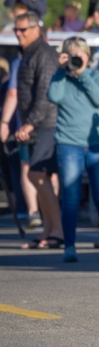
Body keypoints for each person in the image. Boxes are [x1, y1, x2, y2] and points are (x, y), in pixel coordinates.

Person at [47, 38, 99, 262]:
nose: (76, 58)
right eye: (71, 54)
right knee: (71, 197)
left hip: (96, 145)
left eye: (79, 54)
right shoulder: (61, 76)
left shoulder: (96, 76)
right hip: (69, 142)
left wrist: (82, 73)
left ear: (87, 56)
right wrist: (61, 70)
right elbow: (53, 96)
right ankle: (70, 247)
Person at [13, 11, 64, 249]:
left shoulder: (44, 54)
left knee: (37, 175)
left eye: (22, 30)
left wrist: (30, 122)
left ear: (36, 29)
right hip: (36, 125)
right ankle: (48, 230)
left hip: (47, 123)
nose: (18, 34)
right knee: (37, 176)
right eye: (16, 29)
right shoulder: (28, 54)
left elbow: (45, 93)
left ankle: (58, 231)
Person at [0, 47, 41, 227]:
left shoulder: (20, 63)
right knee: (45, 170)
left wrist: (4, 123)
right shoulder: (49, 59)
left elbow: (12, 94)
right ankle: (42, 209)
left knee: (25, 167)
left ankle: (32, 210)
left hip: (24, 125)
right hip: (38, 124)